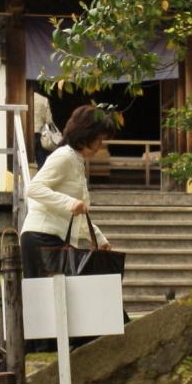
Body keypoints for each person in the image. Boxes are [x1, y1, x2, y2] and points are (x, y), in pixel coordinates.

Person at [20, 103, 115, 277]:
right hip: (42, 236)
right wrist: (69, 203)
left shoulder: (76, 161)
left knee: (61, 292)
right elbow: (33, 188)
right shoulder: (64, 156)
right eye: (99, 139)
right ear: (86, 135)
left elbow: (78, 214)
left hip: (55, 238)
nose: (100, 145)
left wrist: (99, 239)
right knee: (50, 293)